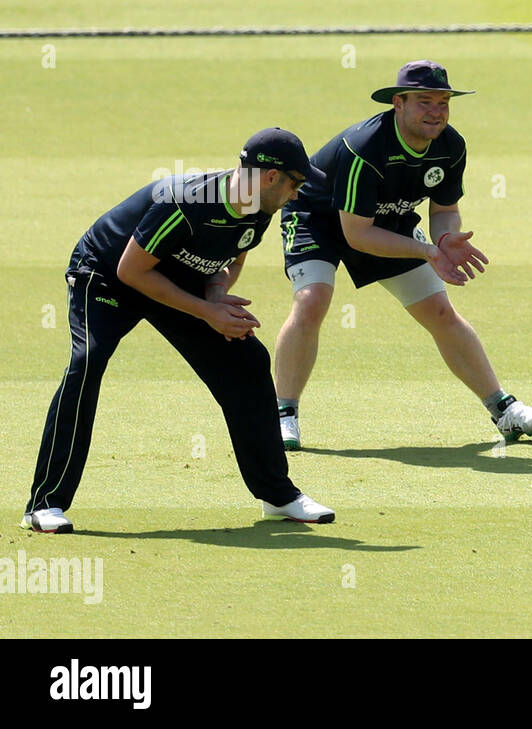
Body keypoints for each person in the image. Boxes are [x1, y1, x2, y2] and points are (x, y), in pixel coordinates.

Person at [23, 128, 337, 533]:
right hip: (106, 273)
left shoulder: (261, 206)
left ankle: (278, 496)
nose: (297, 195)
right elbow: (130, 270)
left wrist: (217, 292)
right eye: (296, 182)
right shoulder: (187, 202)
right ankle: (44, 504)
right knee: (87, 362)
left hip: (175, 276)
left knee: (246, 361)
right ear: (271, 176)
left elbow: (234, 254)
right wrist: (206, 311)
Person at [273, 60, 532, 450]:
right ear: (398, 103)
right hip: (317, 221)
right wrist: (427, 250)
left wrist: (446, 240)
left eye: (443, 102)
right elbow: (356, 234)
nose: (436, 111)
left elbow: (444, 211)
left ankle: (505, 411)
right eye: (424, 102)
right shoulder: (364, 147)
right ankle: (282, 415)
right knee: (312, 301)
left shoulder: (450, 146)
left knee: (439, 311)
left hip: (388, 221)